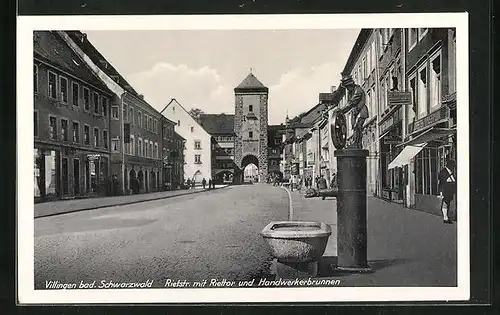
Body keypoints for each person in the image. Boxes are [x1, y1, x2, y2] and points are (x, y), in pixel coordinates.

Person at [338, 73, 369, 149]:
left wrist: (342, 110)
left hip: (361, 112)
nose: (347, 89)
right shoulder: (351, 92)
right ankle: (356, 144)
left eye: (347, 87)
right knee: (356, 128)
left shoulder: (358, 91)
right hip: (356, 112)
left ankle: (357, 144)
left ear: (350, 85)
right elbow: (350, 103)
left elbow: (351, 102)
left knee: (358, 128)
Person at [438, 159, 457, 224]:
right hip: (446, 189)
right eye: (452, 166)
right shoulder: (443, 171)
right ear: (449, 165)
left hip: (449, 189)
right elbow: (441, 182)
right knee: (445, 202)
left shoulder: (449, 171)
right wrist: (441, 192)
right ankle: (445, 218)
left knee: (447, 202)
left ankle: (446, 217)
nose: (453, 167)